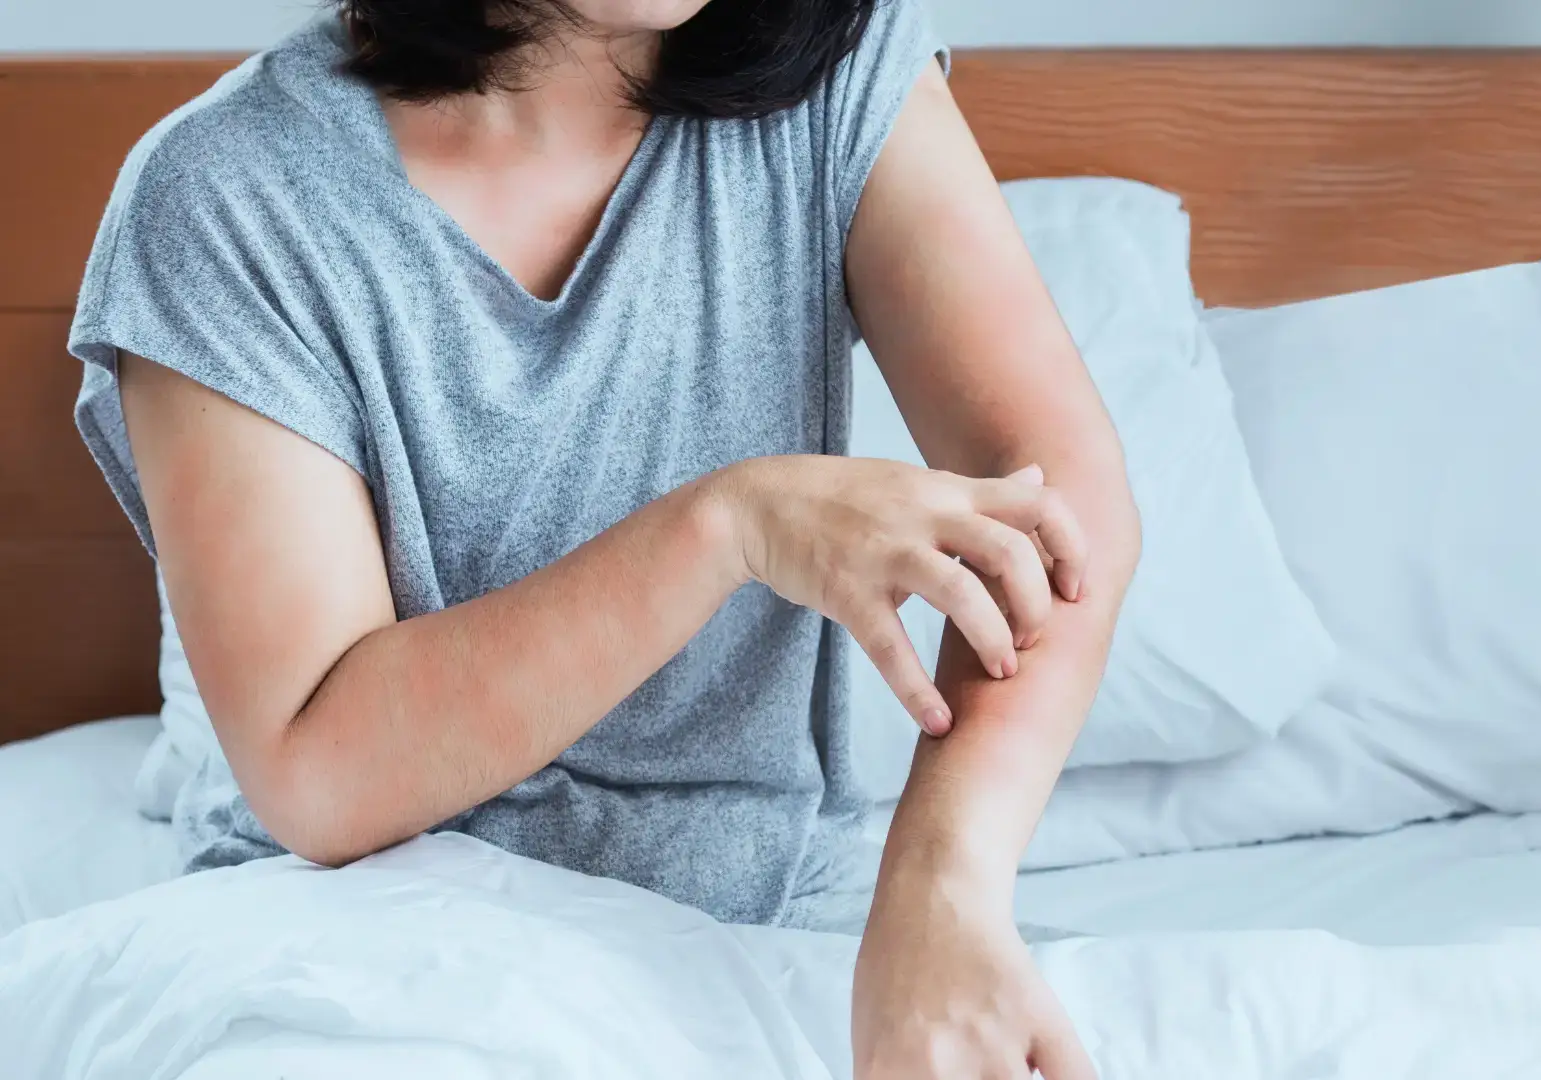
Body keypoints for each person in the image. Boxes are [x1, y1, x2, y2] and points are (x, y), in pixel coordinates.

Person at [70, 0, 1138, 1075]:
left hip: (760, 931)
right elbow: (320, 773)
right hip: (355, 945)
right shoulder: (225, 193)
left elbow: (1059, 503)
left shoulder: (840, 80)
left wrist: (942, 890)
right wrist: (728, 525)